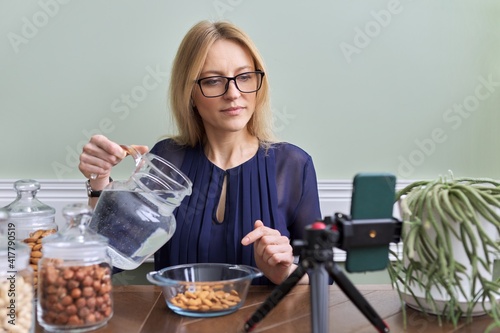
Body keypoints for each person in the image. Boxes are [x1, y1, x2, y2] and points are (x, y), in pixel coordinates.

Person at [78, 20, 322, 285]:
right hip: (177, 323)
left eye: (244, 77)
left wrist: (285, 274)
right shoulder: (168, 159)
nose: (233, 93)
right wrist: (99, 181)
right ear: (190, 92)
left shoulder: (293, 166)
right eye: (214, 81)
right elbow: (110, 260)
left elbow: (323, 278)